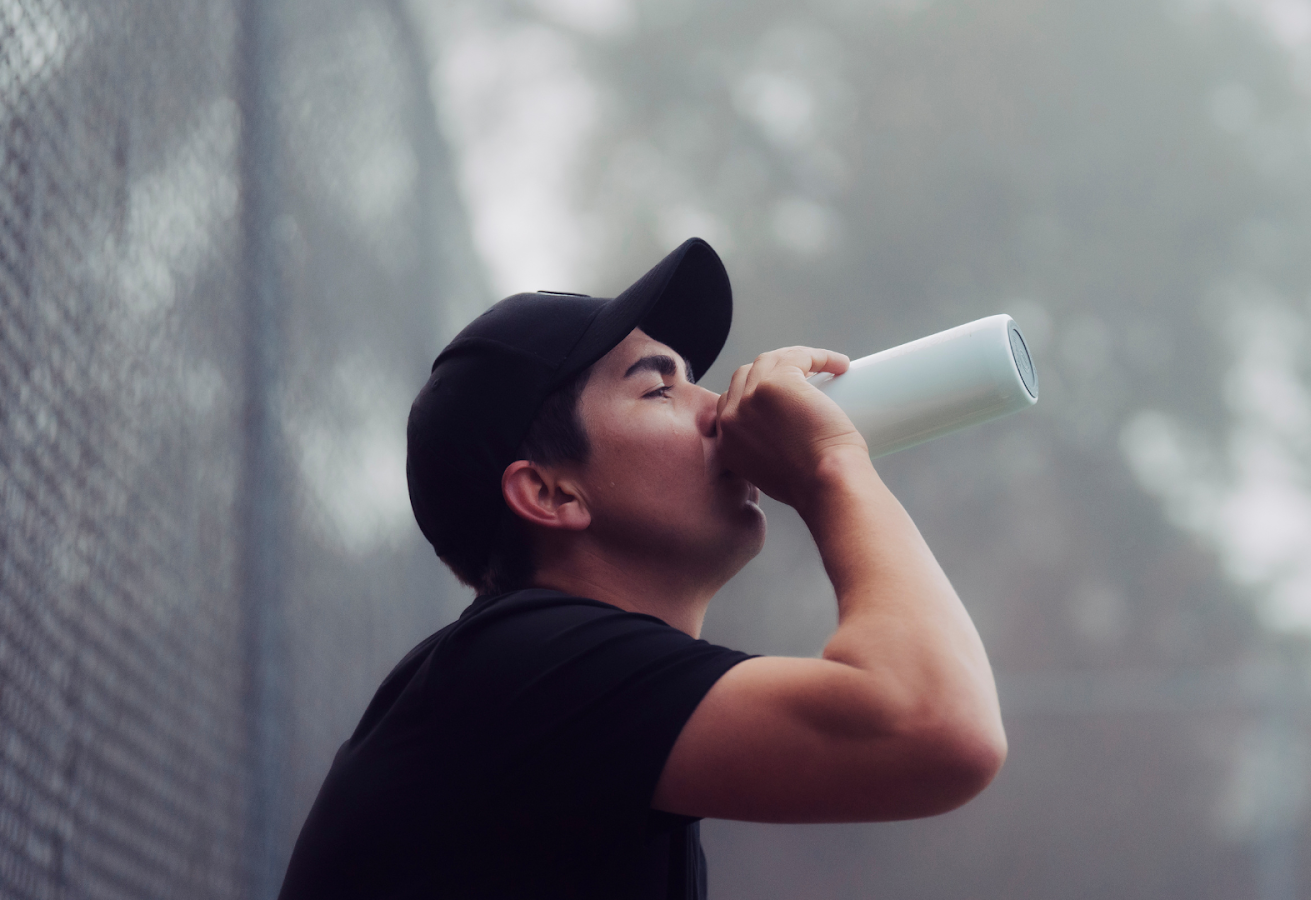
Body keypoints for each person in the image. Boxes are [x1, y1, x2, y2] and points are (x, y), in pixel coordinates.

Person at [277, 238, 1007, 899]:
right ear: (549, 492)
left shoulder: (573, 707)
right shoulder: (520, 669)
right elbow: (934, 724)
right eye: (660, 389)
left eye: (696, 379)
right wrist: (830, 465)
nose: (720, 408)